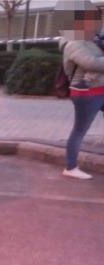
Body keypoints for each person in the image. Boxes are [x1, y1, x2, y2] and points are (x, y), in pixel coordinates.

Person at [59, 1, 104, 180]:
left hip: (99, 89)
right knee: (80, 130)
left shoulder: (90, 39)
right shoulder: (73, 43)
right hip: (86, 92)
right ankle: (71, 167)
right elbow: (91, 63)